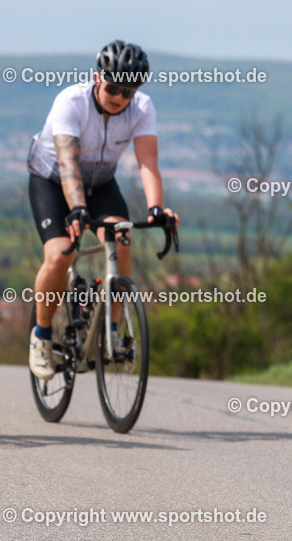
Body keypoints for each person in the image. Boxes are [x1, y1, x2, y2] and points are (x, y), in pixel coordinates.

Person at [27, 40, 179, 380]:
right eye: (112, 87)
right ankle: (41, 335)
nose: (119, 98)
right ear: (98, 78)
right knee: (60, 255)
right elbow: (67, 164)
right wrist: (77, 209)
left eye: (128, 92)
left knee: (122, 236)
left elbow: (148, 164)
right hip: (53, 181)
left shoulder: (142, 108)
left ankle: (112, 329)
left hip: (101, 184)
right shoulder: (71, 101)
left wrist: (156, 207)